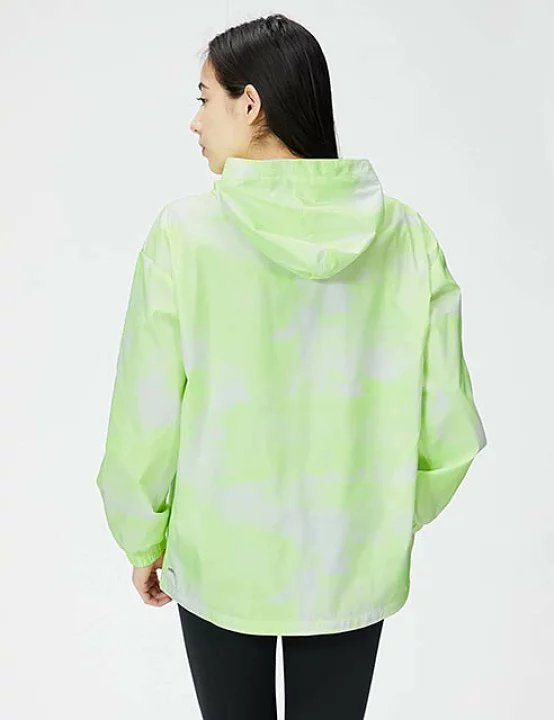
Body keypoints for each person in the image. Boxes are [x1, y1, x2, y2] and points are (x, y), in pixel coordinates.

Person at [95, 12, 487, 720]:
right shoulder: (405, 237)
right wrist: (381, 517)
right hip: (350, 561)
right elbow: (449, 426)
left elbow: (145, 412)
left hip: (218, 557)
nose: (195, 122)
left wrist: (143, 536)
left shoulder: (185, 235)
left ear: (250, 104)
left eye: (205, 98)